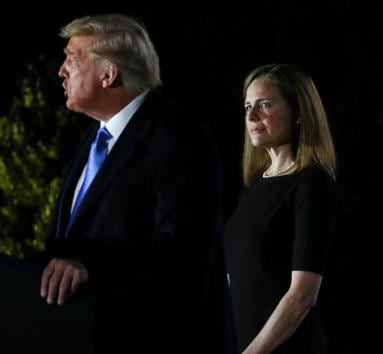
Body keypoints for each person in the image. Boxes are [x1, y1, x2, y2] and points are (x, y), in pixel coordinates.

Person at [37, 14, 229, 353]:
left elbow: (183, 249)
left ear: (108, 74)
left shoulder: (178, 138)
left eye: (71, 57)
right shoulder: (93, 141)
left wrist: (92, 269)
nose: (61, 70)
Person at [224, 64, 337, 354]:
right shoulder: (255, 185)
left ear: (299, 112)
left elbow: (302, 294)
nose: (251, 116)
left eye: (265, 104)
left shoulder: (312, 182)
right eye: (248, 106)